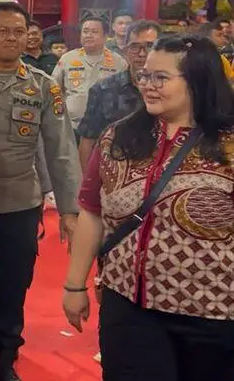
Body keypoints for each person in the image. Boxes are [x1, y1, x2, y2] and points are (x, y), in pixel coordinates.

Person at [63, 35, 234, 380]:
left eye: (161, 77)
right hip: (128, 307)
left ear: (197, 80)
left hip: (215, 312)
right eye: (144, 75)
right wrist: (74, 285)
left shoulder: (228, 144)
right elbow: (92, 212)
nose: (147, 85)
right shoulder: (117, 137)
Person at [0, 1, 82, 381]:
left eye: (19, 32)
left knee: (11, 283)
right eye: (3, 31)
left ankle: (5, 354)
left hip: (18, 201)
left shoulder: (43, 86)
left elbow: (61, 149)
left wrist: (69, 210)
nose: (12, 38)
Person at [76, 20, 160, 167]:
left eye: (149, 46)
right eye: (135, 47)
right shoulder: (103, 89)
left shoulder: (171, 88)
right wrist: (85, 177)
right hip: (115, 169)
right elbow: (88, 139)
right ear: (125, 50)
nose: (142, 53)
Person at [52, 16, 127, 137]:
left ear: (105, 36)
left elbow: (125, 94)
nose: (88, 35)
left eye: (94, 32)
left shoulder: (119, 62)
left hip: (105, 128)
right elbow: (53, 89)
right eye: (85, 31)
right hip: (71, 127)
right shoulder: (67, 58)